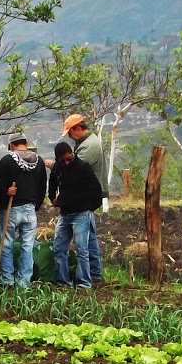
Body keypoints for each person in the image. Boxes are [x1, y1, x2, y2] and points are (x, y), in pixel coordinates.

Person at [58, 113, 107, 285]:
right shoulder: (87, 143)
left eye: (70, 133)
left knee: (83, 246)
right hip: (84, 199)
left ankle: (86, 279)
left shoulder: (89, 146)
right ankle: (95, 274)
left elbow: (75, 169)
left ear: (78, 129)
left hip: (84, 199)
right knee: (90, 238)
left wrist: (55, 166)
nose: (70, 137)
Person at [0, 134, 45, 287]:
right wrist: (35, 206)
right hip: (30, 209)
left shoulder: (7, 160)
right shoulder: (39, 161)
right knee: (27, 246)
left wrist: (2, 199)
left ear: (11, 145)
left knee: (6, 244)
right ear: (26, 143)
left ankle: (7, 279)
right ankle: (23, 282)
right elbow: (42, 187)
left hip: (11, 209)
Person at [51, 140, 102, 288]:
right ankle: (62, 281)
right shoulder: (58, 169)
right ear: (58, 159)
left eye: (69, 159)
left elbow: (96, 191)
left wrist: (89, 208)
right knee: (59, 248)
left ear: (72, 154)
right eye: (63, 160)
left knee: (82, 249)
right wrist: (52, 198)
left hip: (81, 213)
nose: (66, 163)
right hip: (65, 214)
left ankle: (84, 283)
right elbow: (52, 183)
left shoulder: (83, 167)